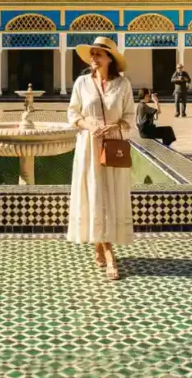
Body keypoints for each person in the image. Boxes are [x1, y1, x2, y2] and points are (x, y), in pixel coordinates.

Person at [67, 36, 135, 281]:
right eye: (92, 54)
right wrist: (88, 125)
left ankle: (100, 244)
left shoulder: (123, 85)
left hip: (113, 145)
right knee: (94, 193)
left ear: (110, 59)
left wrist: (115, 127)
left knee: (109, 193)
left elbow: (130, 117)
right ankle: (108, 253)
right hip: (88, 146)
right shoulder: (82, 83)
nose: (93, 58)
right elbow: (73, 112)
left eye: (98, 54)